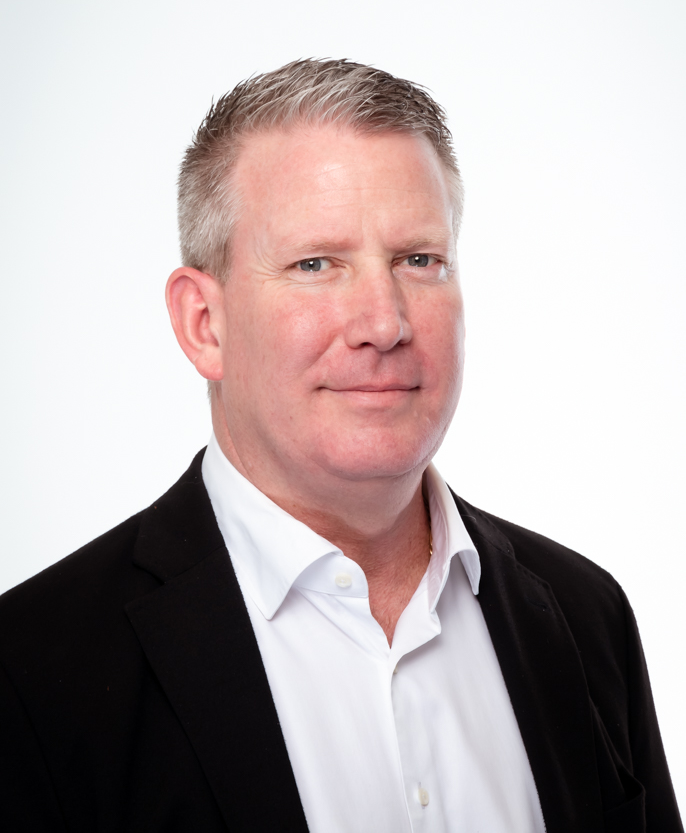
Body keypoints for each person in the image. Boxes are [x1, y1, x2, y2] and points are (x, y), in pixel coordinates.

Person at [0, 59, 681, 833]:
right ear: (204, 324)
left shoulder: (586, 615)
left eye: (419, 259)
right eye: (316, 264)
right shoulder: (33, 671)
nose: (384, 322)